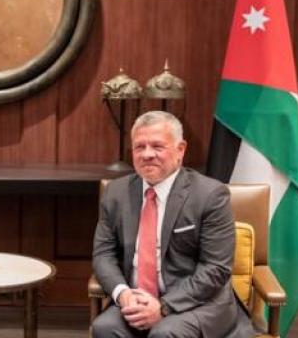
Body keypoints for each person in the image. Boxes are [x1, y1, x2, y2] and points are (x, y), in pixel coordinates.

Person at [91, 111, 256, 338]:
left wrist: (163, 306)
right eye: (139, 147)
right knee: (104, 328)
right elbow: (103, 255)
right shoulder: (115, 192)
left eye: (157, 146)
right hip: (136, 298)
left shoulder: (210, 195)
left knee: (165, 334)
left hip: (197, 302)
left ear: (180, 150)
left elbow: (215, 269)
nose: (147, 154)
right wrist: (123, 294)